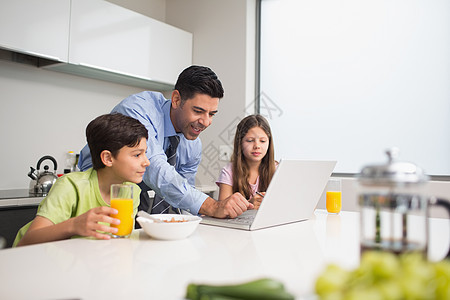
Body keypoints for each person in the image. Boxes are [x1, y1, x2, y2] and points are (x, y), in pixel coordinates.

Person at [78, 65, 252, 219]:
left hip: (134, 195)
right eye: (198, 111)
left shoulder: (193, 145)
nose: (206, 122)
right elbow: (154, 167)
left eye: (212, 114)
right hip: (95, 193)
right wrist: (212, 206)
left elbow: (183, 192)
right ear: (176, 99)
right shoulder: (139, 110)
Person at [13, 113, 150, 247]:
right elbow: (27, 241)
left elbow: (119, 241)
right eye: (137, 155)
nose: (146, 162)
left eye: (145, 153)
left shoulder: (131, 191)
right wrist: (73, 225)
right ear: (108, 158)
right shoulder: (71, 186)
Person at [216, 114, 277, 210]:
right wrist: (249, 205)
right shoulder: (229, 172)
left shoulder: (277, 169)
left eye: (262, 141)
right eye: (250, 140)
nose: (257, 146)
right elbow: (222, 210)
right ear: (240, 142)